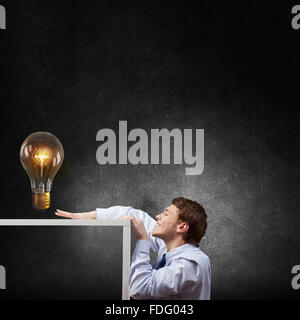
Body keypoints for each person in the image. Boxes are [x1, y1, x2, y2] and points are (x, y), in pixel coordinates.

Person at [55, 197, 211, 300]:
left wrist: (143, 240)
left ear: (182, 226)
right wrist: (84, 216)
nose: (158, 216)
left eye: (165, 214)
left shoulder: (190, 264)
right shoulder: (170, 247)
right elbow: (133, 215)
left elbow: (139, 288)